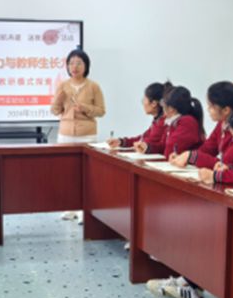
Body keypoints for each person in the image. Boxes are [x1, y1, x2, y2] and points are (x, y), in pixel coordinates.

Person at [51, 49, 106, 221]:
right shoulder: (63, 86)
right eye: (71, 63)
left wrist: (84, 108)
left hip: (86, 135)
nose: (74, 67)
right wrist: (58, 99)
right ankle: (70, 207)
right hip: (65, 135)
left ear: (86, 66)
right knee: (66, 172)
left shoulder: (93, 86)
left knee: (86, 173)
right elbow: (54, 111)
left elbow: (101, 111)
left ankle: (85, 210)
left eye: (79, 63)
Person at [171, 81, 233, 169]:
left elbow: (225, 163)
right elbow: (207, 149)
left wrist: (191, 156)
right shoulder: (222, 124)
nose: (208, 109)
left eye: (211, 106)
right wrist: (184, 156)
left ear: (226, 110)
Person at [107, 82, 170, 153]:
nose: (143, 103)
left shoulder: (164, 122)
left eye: (144, 100)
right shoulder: (157, 120)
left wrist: (145, 146)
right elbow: (143, 138)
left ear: (154, 103)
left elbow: (150, 143)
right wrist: (121, 142)